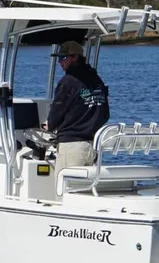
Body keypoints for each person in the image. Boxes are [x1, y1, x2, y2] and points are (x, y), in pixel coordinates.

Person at [45, 41, 110, 176]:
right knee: (83, 192)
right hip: (92, 147)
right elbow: (105, 114)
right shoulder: (97, 80)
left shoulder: (68, 82)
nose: (60, 62)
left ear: (75, 58)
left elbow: (56, 113)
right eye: (59, 59)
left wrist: (49, 126)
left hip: (71, 146)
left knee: (64, 192)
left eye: (63, 58)